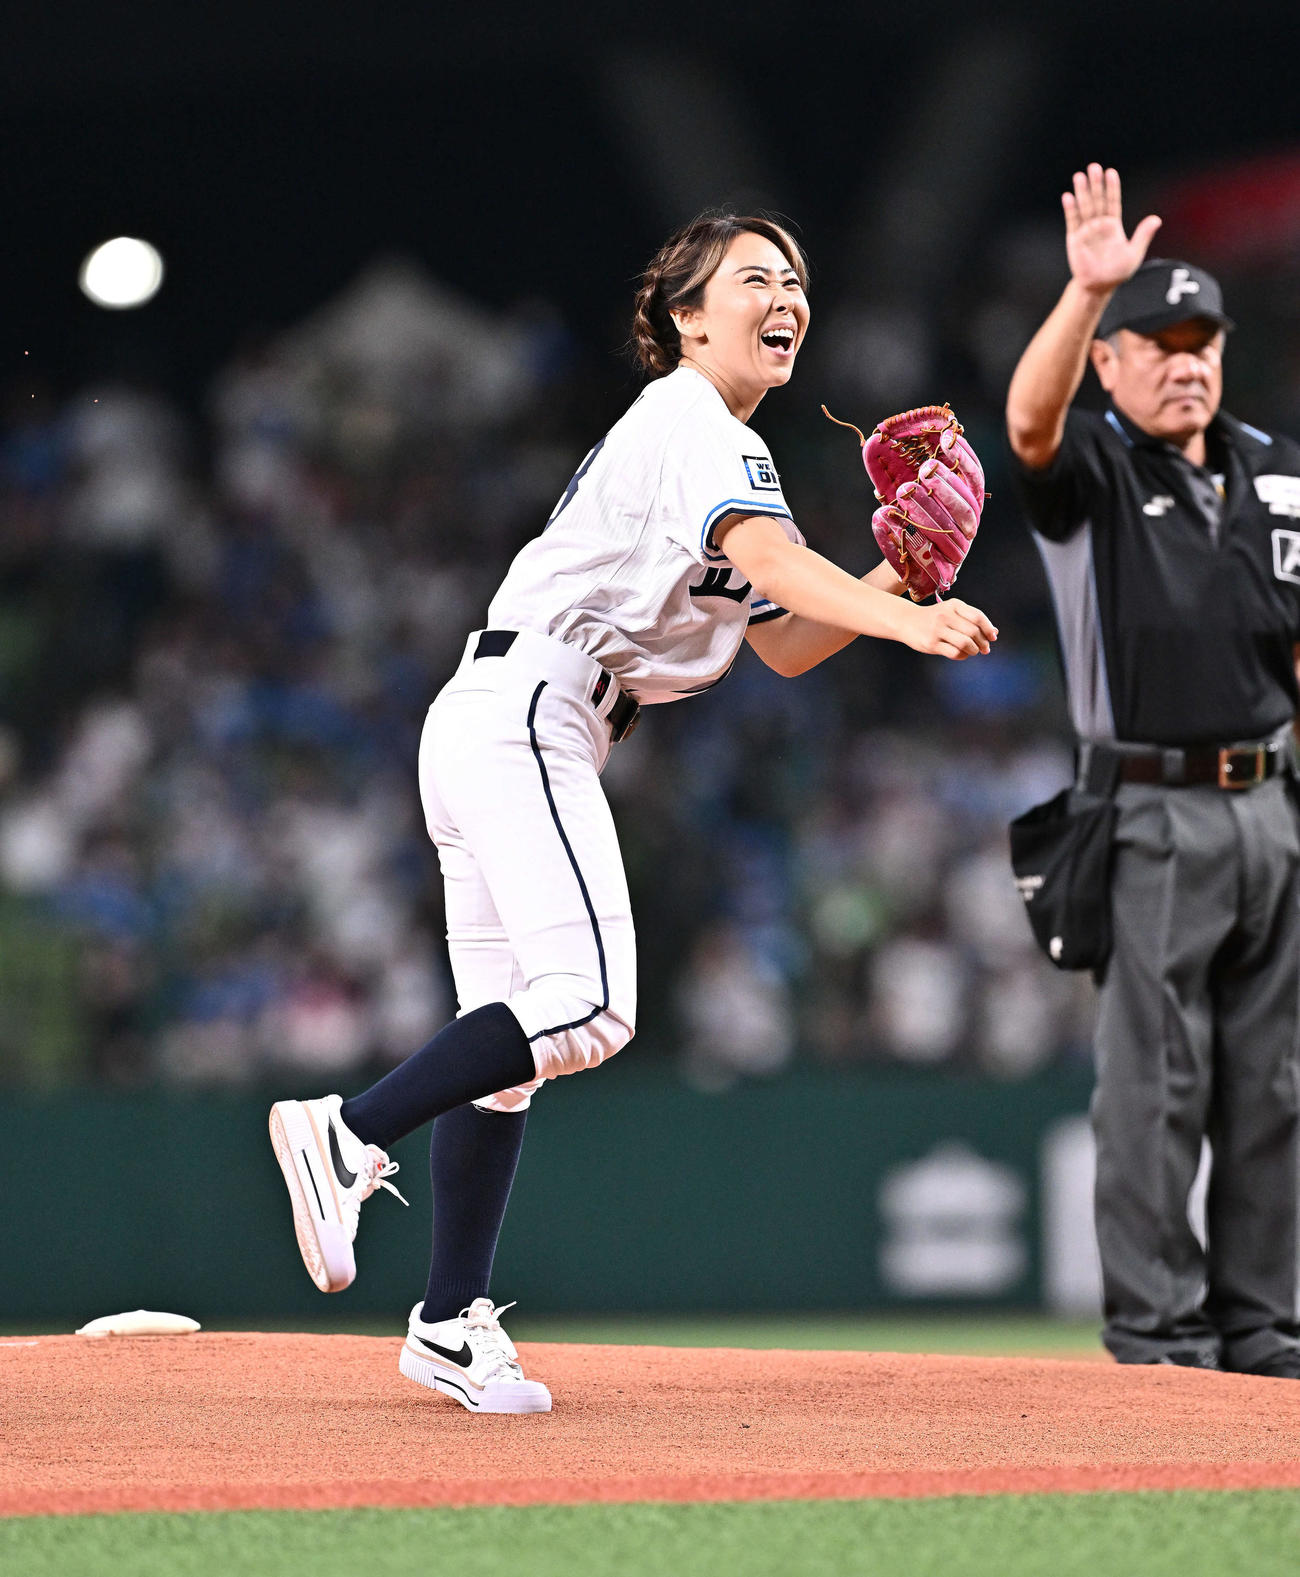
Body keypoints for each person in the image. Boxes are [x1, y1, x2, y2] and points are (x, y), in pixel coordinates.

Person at [270, 212, 997, 1413]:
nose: (786, 296)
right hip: (532, 711)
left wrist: (900, 574)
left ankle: (447, 1321)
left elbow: (785, 639)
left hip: (505, 713)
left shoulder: (707, 445)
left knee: (507, 1051)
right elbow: (775, 563)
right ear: (684, 318)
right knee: (593, 1006)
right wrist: (910, 619)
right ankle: (349, 1130)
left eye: (794, 280)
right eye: (754, 278)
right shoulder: (693, 421)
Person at [1006, 163, 1300, 1377]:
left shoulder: (1278, 474)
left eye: (1200, 343)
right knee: (1157, 1082)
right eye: (1157, 344)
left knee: (1274, 1082)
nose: (1184, 363)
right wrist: (1085, 294)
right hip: (1151, 804)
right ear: (1111, 364)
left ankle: (1264, 1324)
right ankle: (1157, 1331)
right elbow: (1027, 425)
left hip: (1271, 804)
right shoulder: (1095, 467)